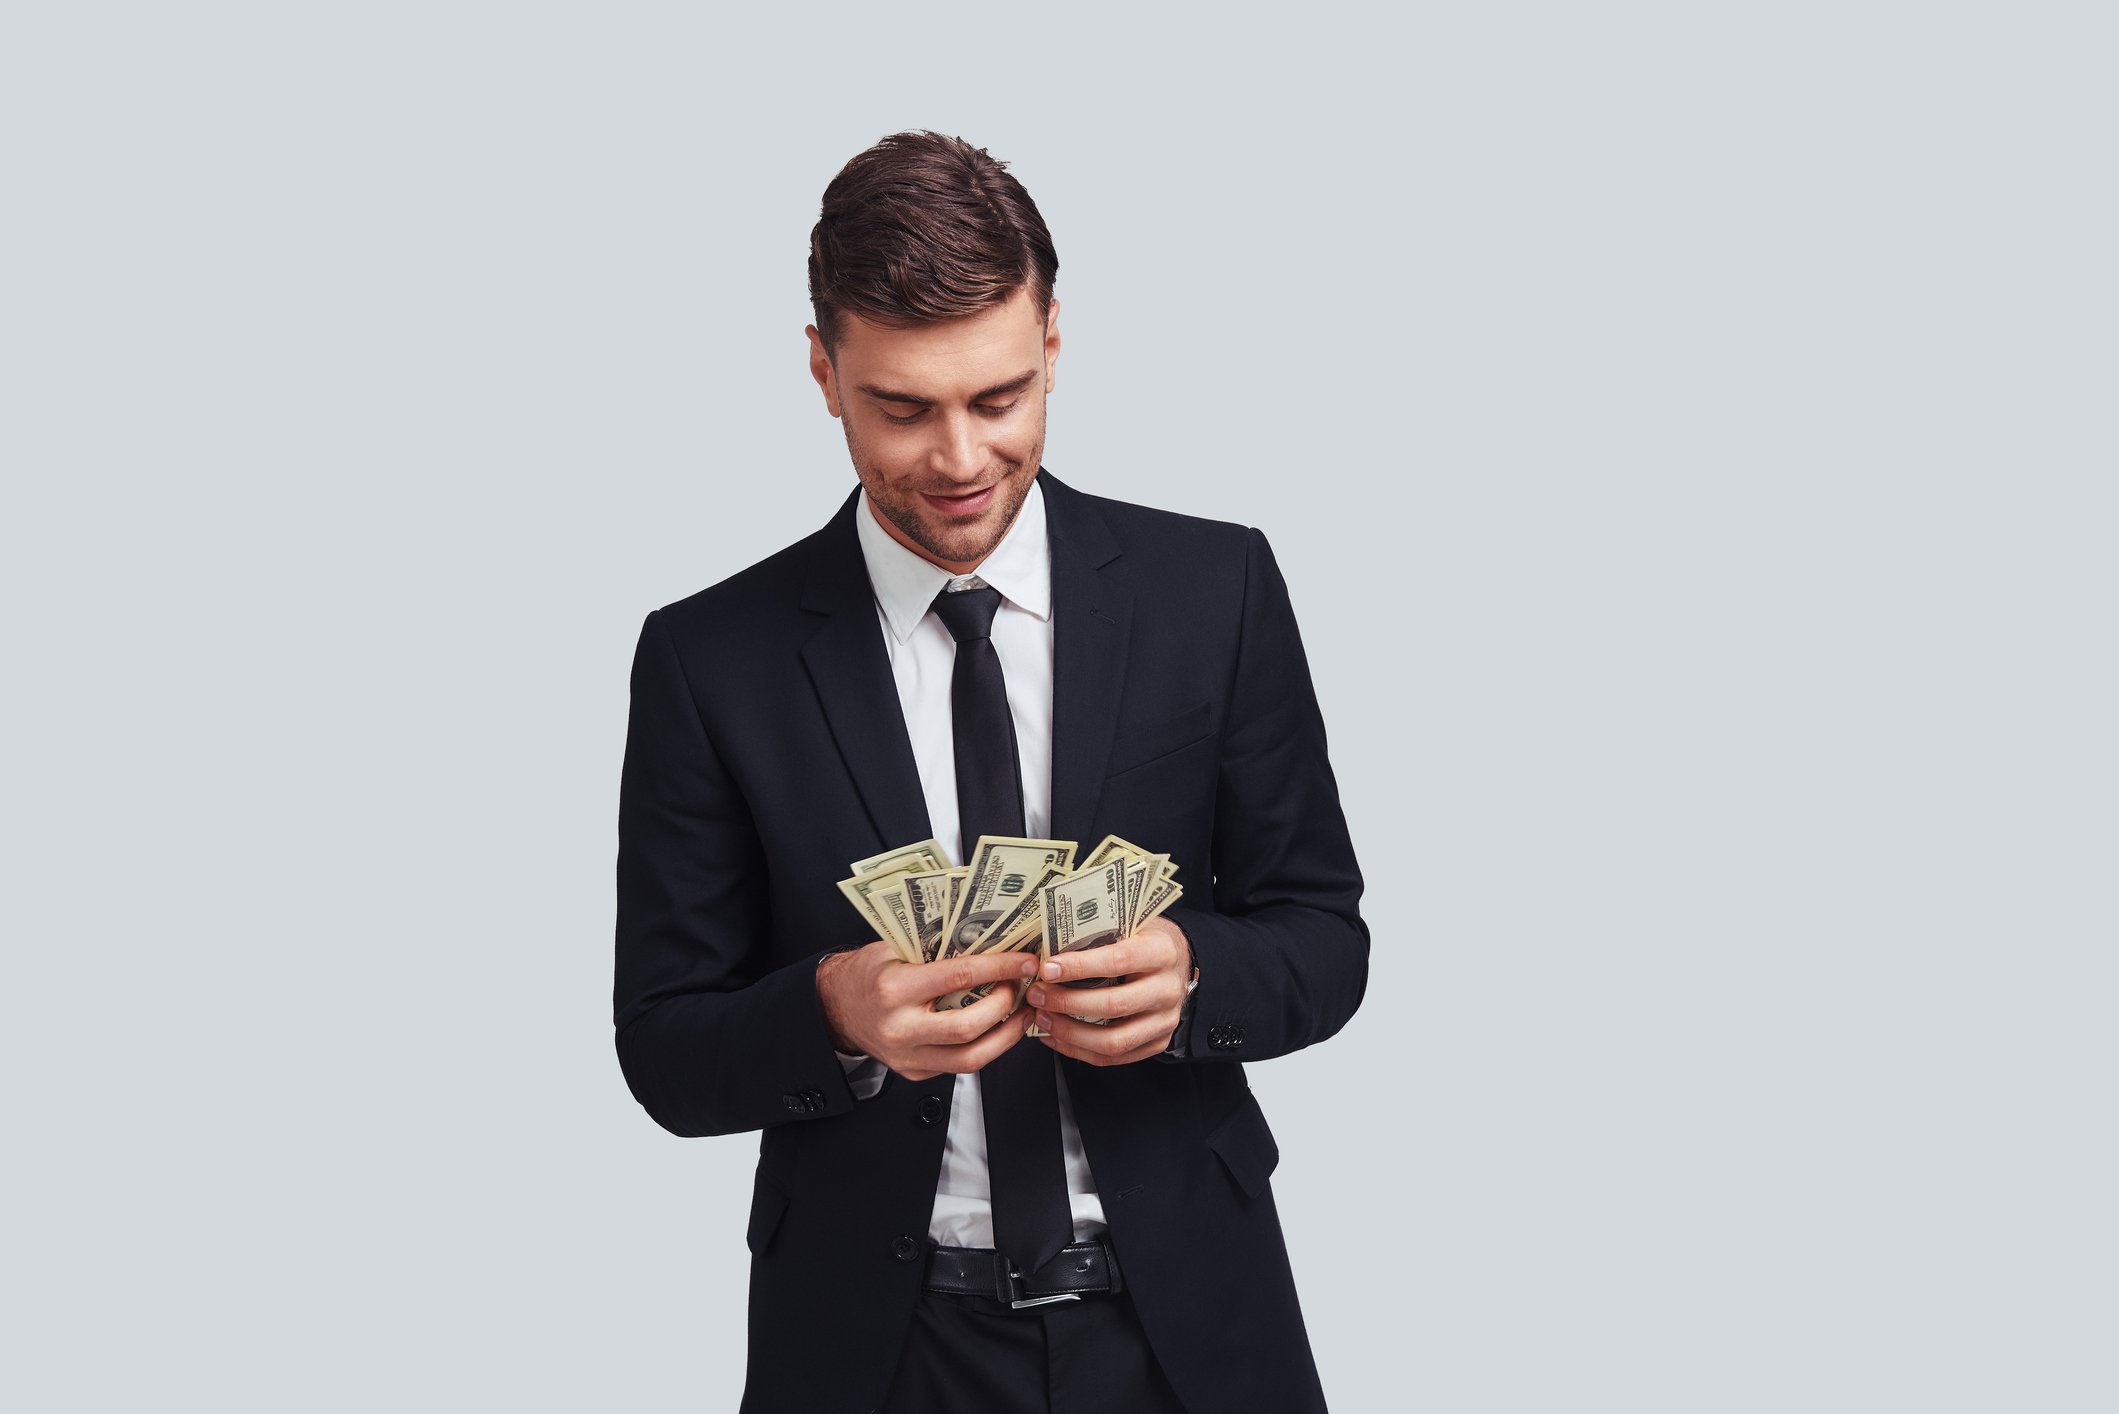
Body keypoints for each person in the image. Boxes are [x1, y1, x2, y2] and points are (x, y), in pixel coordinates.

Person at [613, 130, 1369, 1413]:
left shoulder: (1215, 590)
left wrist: (1197, 976)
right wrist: (838, 1013)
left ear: (1055, 346)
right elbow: (664, 1049)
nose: (960, 460)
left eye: (998, 398)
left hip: (1188, 1319)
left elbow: (1323, 936)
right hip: (875, 1344)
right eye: (902, 408)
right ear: (823, 371)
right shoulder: (707, 659)